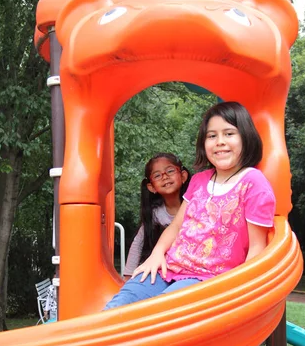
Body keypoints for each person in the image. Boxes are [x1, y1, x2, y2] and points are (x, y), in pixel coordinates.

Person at [105, 101, 276, 310]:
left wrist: (244, 293)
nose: (220, 142)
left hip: (208, 278)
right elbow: (176, 227)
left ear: (246, 137)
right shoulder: (200, 180)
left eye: (229, 133)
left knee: (161, 311)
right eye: (212, 136)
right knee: (120, 304)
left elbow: (257, 247)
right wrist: (157, 253)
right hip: (169, 268)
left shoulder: (253, 183)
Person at [123, 153, 190, 280]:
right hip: (166, 269)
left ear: (183, 176)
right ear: (151, 187)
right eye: (157, 175)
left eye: (170, 171)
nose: (165, 177)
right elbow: (138, 243)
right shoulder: (156, 214)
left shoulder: (197, 205)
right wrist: (128, 276)